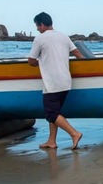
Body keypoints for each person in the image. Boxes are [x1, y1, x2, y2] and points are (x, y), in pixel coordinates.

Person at [27, 12, 85, 149]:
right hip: (65, 81)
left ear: (41, 24)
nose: (37, 29)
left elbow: (30, 61)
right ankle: (51, 141)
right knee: (56, 112)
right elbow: (77, 53)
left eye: (37, 26)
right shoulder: (64, 36)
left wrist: (40, 63)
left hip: (52, 82)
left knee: (51, 114)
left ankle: (74, 133)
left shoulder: (39, 39)